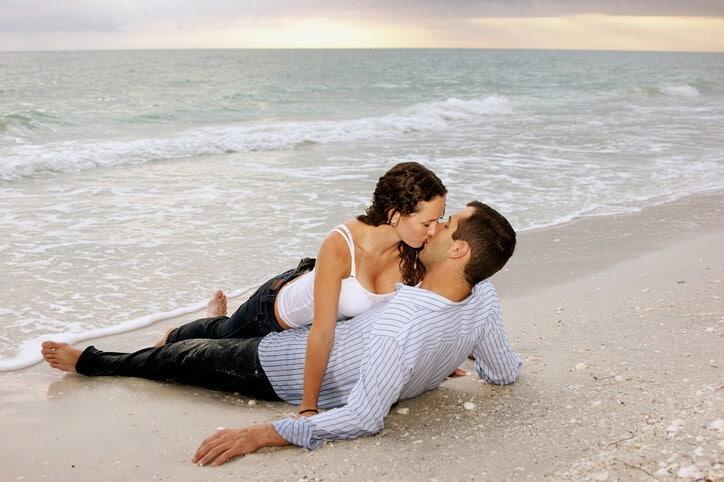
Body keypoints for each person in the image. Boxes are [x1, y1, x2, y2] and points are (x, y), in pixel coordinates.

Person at [41, 201, 521, 466]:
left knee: (177, 357)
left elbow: (362, 418)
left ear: (459, 252)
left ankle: (90, 360)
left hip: (273, 367)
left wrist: (264, 433)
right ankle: (207, 319)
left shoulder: (405, 324)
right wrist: (434, 359)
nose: (434, 228)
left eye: (447, 225)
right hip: (303, 332)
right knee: (217, 330)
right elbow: (503, 372)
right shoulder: (482, 299)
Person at [157, 161, 447, 416]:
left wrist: (443, 358)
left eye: (440, 220)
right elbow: (322, 333)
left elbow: (423, 309)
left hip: (314, 289)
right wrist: (309, 407)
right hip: (271, 311)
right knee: (220, 335)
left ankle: (214, 320)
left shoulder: (413, 250)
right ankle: (176, 332)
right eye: (428, 222)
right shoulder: (342, 244)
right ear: (395, 215)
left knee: (221, 340)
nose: (435, 230)